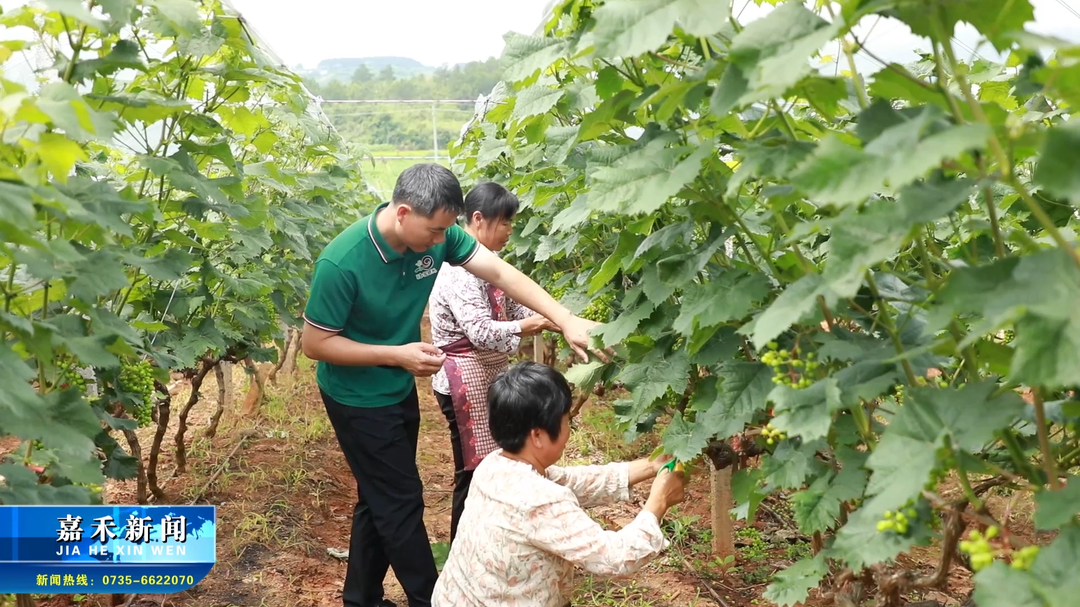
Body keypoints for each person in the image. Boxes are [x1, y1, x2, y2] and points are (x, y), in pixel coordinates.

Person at [301, 163, 607, 607]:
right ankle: (435, 599)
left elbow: (500, 274)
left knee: (380, 495)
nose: (443, 241)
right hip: (356, 398)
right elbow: (315, 343)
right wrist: (397, 354)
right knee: (402, 501)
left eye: (448, 229)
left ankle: (361, 599)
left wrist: (566, 319)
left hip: (394, 387)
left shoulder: (435, 237)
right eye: (436, 230)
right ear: (403, 213)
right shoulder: (342, 261)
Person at [432, 361, 687, 607]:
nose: (569, 428)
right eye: (566, 420)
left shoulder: (494, 465)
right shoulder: (540, 501)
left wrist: (650, 466)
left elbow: (573, 481)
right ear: (538, 435)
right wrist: (659, 502)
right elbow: (614, 558)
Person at [428, 182, 560, 541]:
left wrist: (557, 318)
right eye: (505, 222)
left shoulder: (492, 264)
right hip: (462, 381)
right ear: (478, 219)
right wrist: (528, 325)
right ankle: (462, 550)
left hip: (488, 373)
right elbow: (480, 331)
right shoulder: (458, 271)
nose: (510, 230)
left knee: (494, 465)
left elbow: (518, 307)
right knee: (473, 472)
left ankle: (488, 540)